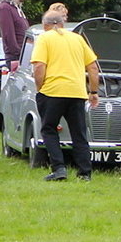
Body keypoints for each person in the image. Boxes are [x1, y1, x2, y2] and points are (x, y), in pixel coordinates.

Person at [29, 10, 99, 182]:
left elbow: (39, 66)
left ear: (46, 25)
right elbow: (93, 68)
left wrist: (40, 87)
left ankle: (59, 168)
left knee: (49, 129)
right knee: (79, 132)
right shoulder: (77, 38)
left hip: (52, 91)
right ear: (62, 24)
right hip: (76, 92)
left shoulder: (45, 38)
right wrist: (94, 92)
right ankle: (85, 172)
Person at [0, 0, 30, 71]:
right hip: (16, 58)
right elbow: (8, 35)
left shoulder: (17, 9)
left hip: (24, 57)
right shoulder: (4, 8)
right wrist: (20, 53)